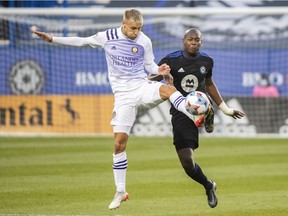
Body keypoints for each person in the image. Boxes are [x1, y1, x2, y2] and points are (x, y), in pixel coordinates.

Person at [34, 9, 202, 210]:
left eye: (139, 28)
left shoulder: (144, 41)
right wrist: (52, 39)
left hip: (141, 87)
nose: (136, 32)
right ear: (123, 23)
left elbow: (149, 65)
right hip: (123, 97)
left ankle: (193, 110)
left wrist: (160, 70)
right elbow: (81, 40)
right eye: (133, 28)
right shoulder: (107, 37)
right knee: (119, 144)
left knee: (168, 89)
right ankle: (121, 191)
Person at [149, 28, 245, 208]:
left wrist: (225, 109)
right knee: (187, 162)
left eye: (197, 40)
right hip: (180, 111)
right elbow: (153, 78)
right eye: (190, 39)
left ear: (201, 42)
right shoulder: (171, 59)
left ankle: (206, 112)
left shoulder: (207, 61)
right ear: (183, 41)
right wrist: (155, 76)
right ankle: (208, 185)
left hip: (198, 103)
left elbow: (209, 84)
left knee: (200, 101)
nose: (194, 42)